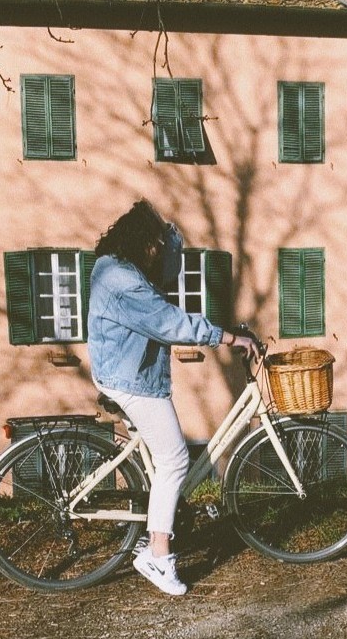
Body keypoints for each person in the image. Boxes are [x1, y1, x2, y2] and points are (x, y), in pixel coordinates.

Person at [88, 200, 258, 596]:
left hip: (125, 368)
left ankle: (158, 524)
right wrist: (227, 337)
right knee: (175, 458)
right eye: (157, 245)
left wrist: (171, 241)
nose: (160, 253)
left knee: (165, 460)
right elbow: (169, 322)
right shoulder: (123, 280)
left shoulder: (118, 266)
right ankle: (158, 556)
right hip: (129, 378)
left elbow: (165, 279)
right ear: (142, 243)